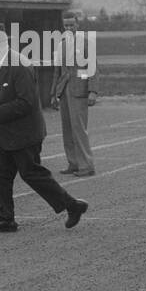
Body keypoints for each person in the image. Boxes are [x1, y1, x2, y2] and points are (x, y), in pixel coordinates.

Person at [0, 22, 90, 233]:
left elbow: (26, 102)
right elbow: (8, 96)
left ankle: (73, 206)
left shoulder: (18, 65)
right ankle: (5, 218)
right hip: (7, 135)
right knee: (1, 174)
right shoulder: (3, 65)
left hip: (23, 134)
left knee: (32, 174)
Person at [50, 10, 98, 177]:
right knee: (67, 129)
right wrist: (53, 94)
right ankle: (73, 163)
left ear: (77, 25)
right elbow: (57, 71)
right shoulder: (61, 44)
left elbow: (92, 68)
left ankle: (87, 165)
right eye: (66, 25)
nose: (69, 28)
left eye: (72, 25)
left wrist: (92, 91)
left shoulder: (86, 43)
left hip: (79, 91)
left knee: (79, 129)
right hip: (64, 91)